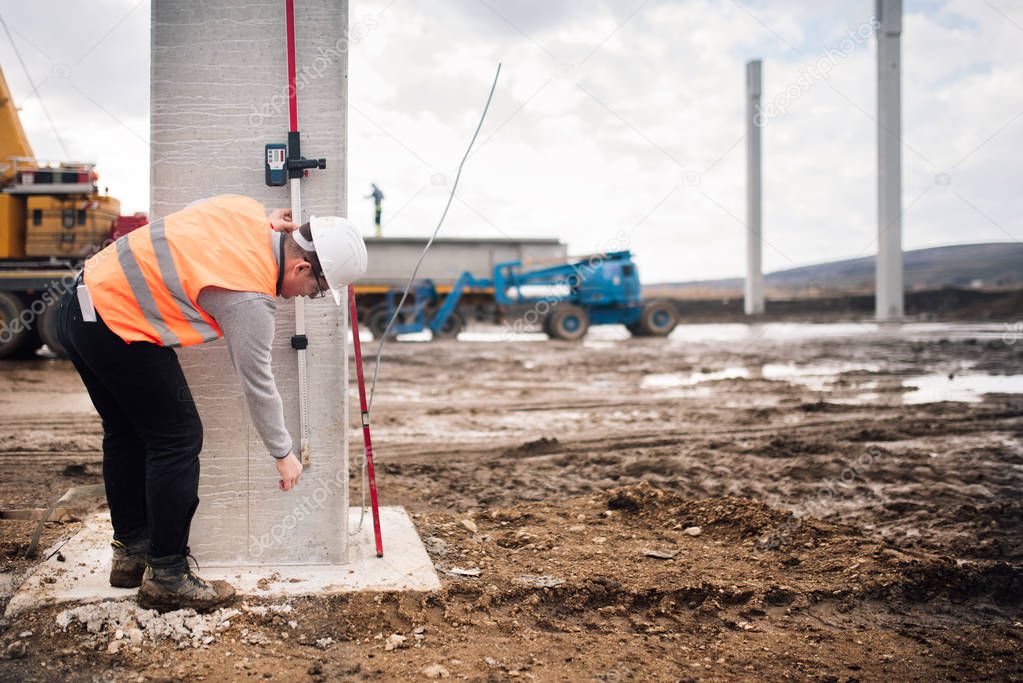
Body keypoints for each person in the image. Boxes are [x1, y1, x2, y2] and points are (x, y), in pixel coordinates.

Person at [54, 195, 367, 612]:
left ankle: (130, 553)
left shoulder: (244, 212)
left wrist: (265, 221)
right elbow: (258, 383)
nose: (303, 298)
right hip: (116, 323)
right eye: (312, 291)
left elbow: (198, 217)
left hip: (77, 306)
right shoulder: (250, 300)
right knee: (178, 439)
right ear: (301, 267)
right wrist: (283, 453)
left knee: (128, 433)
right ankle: (167, 575)